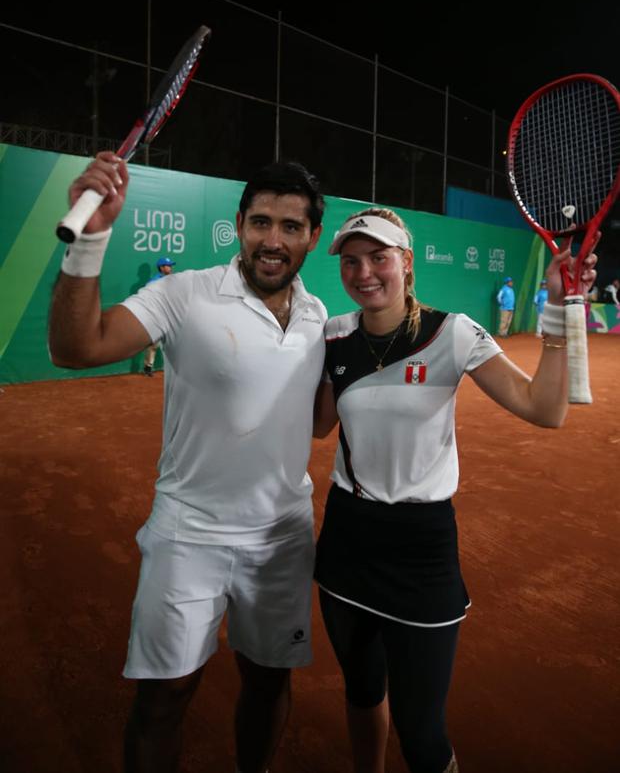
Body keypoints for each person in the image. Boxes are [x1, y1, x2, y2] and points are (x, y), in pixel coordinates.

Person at [48, 151, 326, 773]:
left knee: (269, 681)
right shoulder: (184, 294)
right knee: (165, 698)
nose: (272, 241)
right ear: (239, 225)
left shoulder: (316, 319)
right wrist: (90, 241)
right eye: (260, 222)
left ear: (313, 237)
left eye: (290, 226)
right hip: (188, 535)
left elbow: (313, 419)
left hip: (282, 539)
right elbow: (75, 347)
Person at [312, 208, 597, 773]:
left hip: (421, 550)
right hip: (347, 539)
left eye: (378, 257)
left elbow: (545, 409)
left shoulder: (453, 333)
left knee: (422, 732)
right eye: (351, 261)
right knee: (362, 690)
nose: (364, 272)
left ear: (406, 262)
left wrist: (560, 309)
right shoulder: (334, 335)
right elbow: (320, 425)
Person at [142, 257, 176, 376]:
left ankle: (174, 367)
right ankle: (148, 367)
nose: (170, 268)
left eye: (171, 265)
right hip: (157, 314)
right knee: (154, 344)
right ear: (161, 267)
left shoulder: (173, 279)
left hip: (171, 314)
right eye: (168, 265)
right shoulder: (154, 281)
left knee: (174, 342)